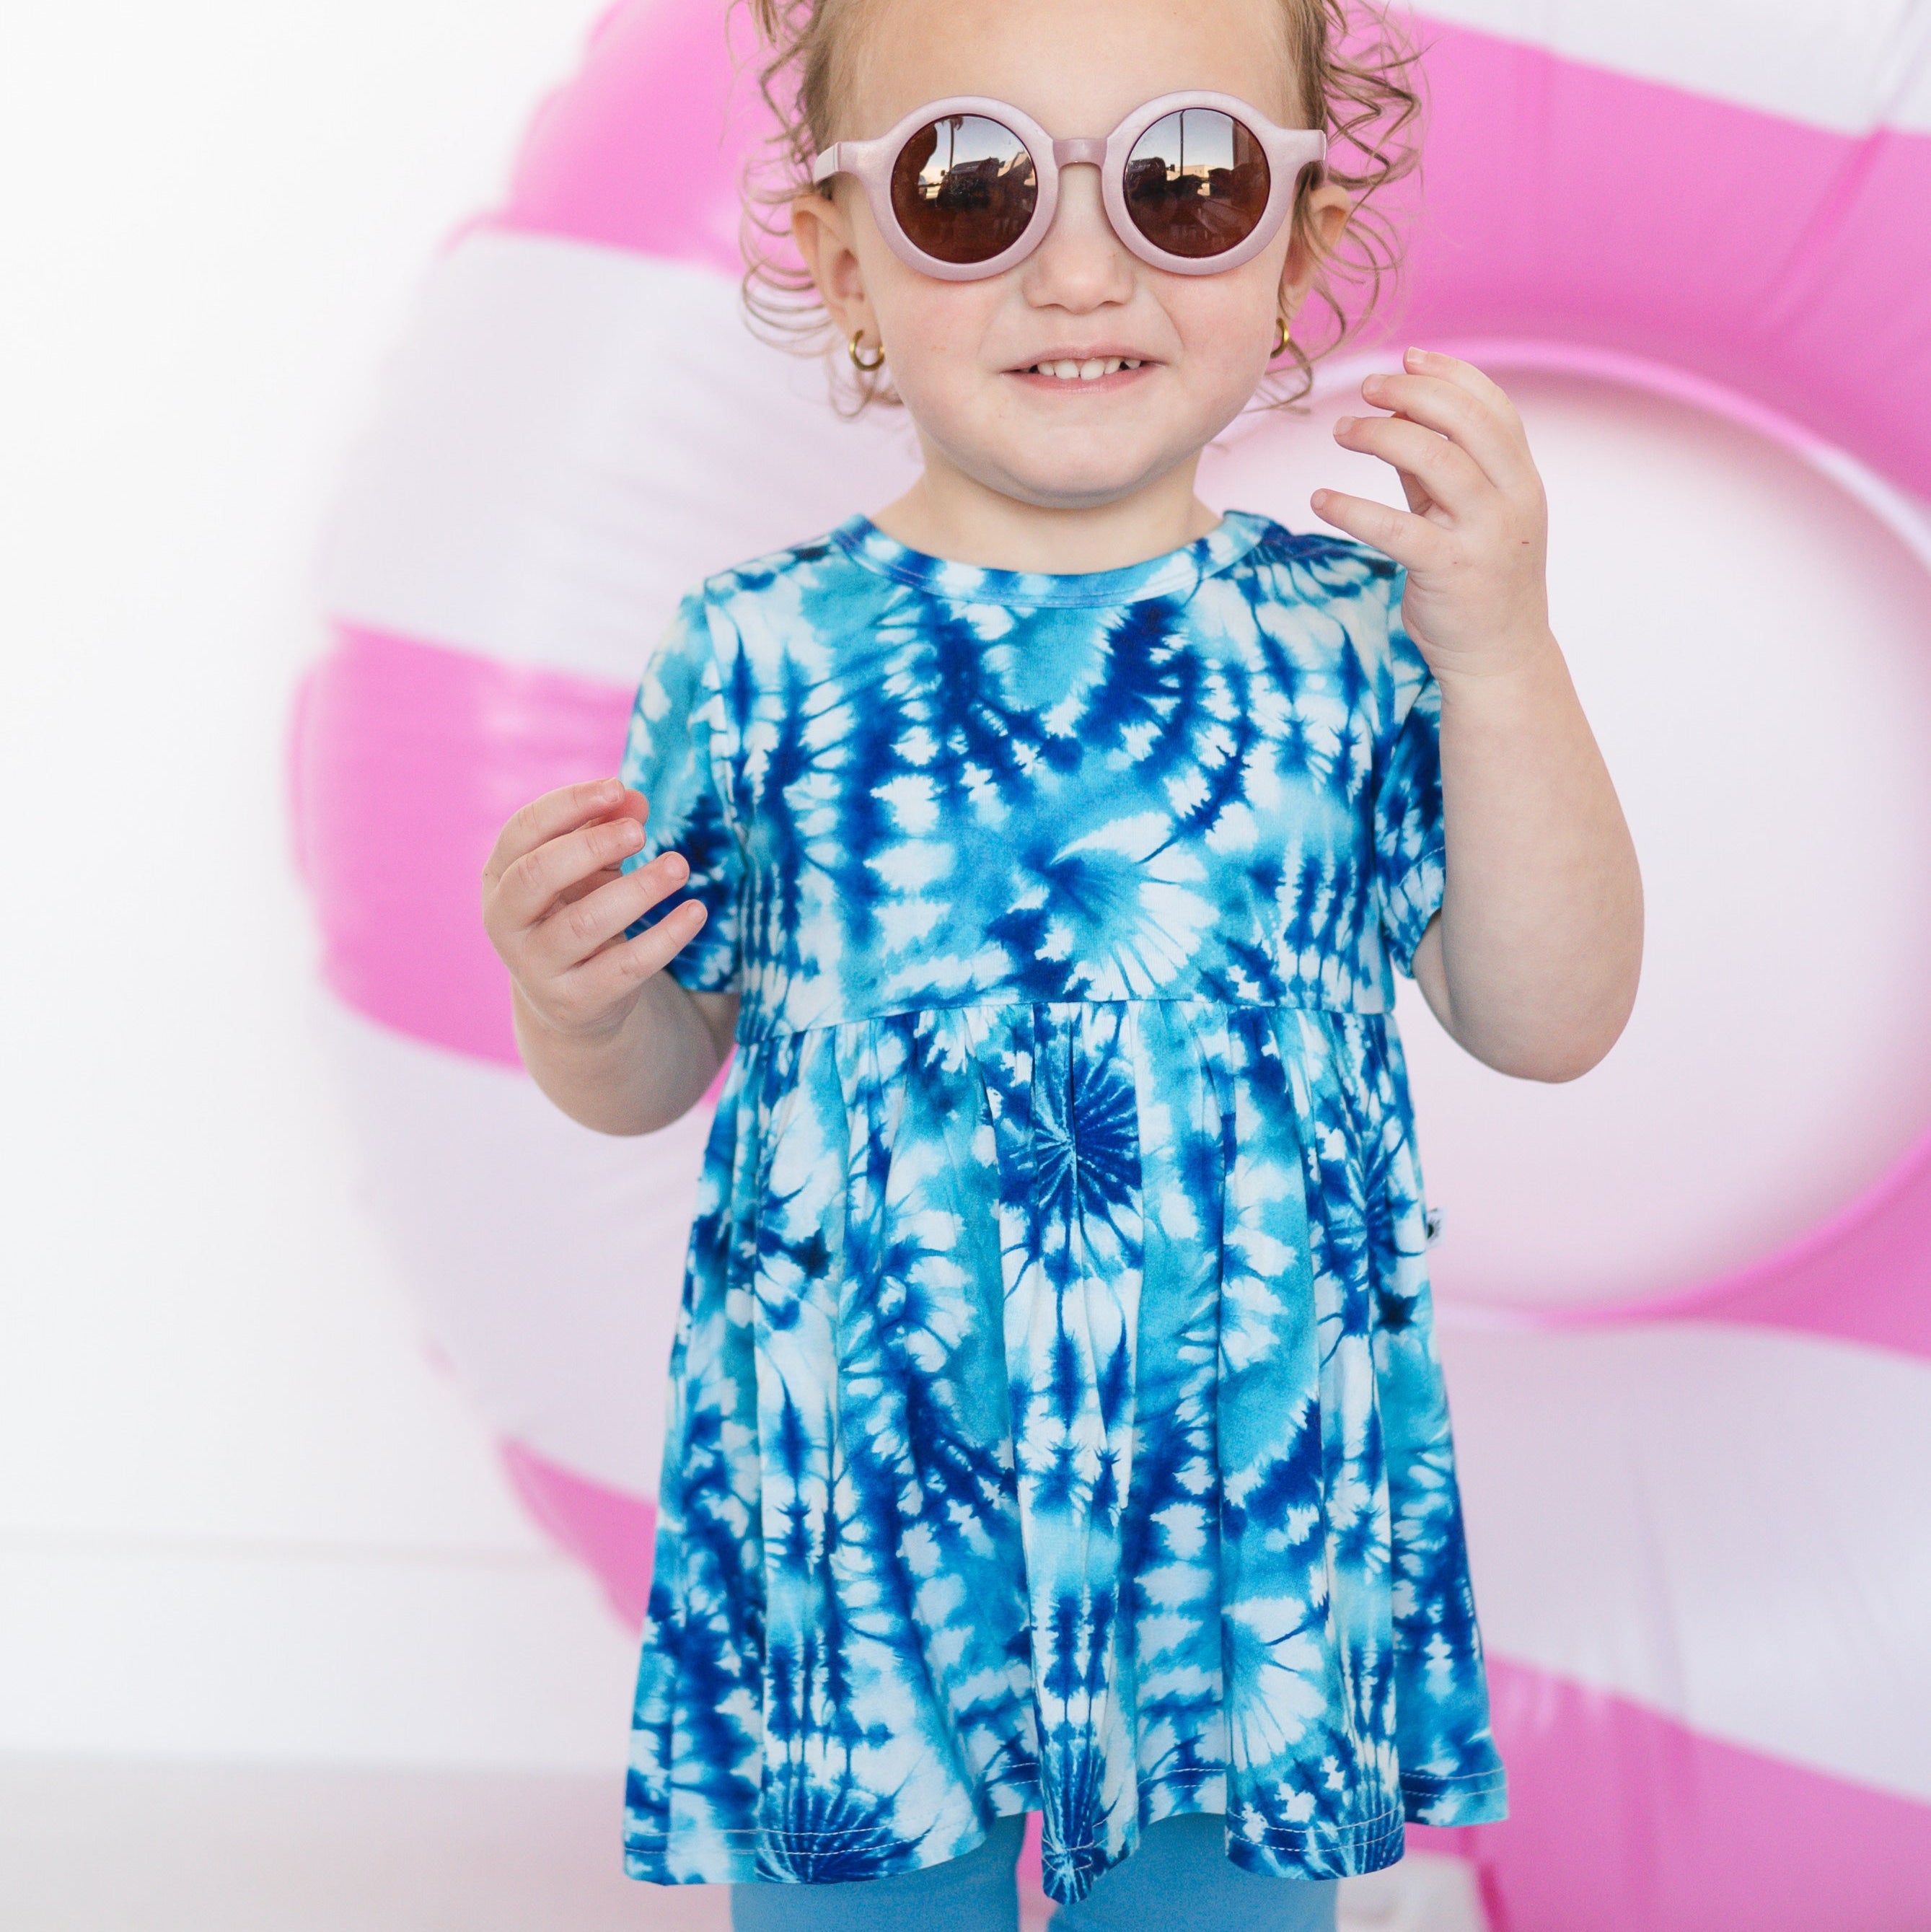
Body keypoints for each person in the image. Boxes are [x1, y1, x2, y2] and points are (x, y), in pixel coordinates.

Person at [479, 0, 1643, 1923]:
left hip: (1233, 1524)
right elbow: (663, 1067)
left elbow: (1553, 1015)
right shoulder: (757, 655)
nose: (1082, 265)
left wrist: (1505, 654)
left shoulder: (1363, 647)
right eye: (975, 188)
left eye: (1184, 183)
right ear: (847, 255)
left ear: (1290, 243)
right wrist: (576, 996)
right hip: (866, 1521)